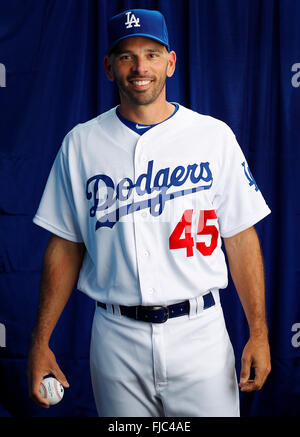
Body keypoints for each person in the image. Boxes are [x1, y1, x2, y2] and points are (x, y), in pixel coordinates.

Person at [27, 9, 271, 417]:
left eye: (152, 54)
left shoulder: (213, 137)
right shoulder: (81, 144)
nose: (140, 67)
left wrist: (259, 333)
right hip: (116, 337)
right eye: (126, 56)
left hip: (200, 334)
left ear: (170, 62)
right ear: (109, 67)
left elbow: (240, 237)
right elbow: (66, 247)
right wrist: (40, 341)